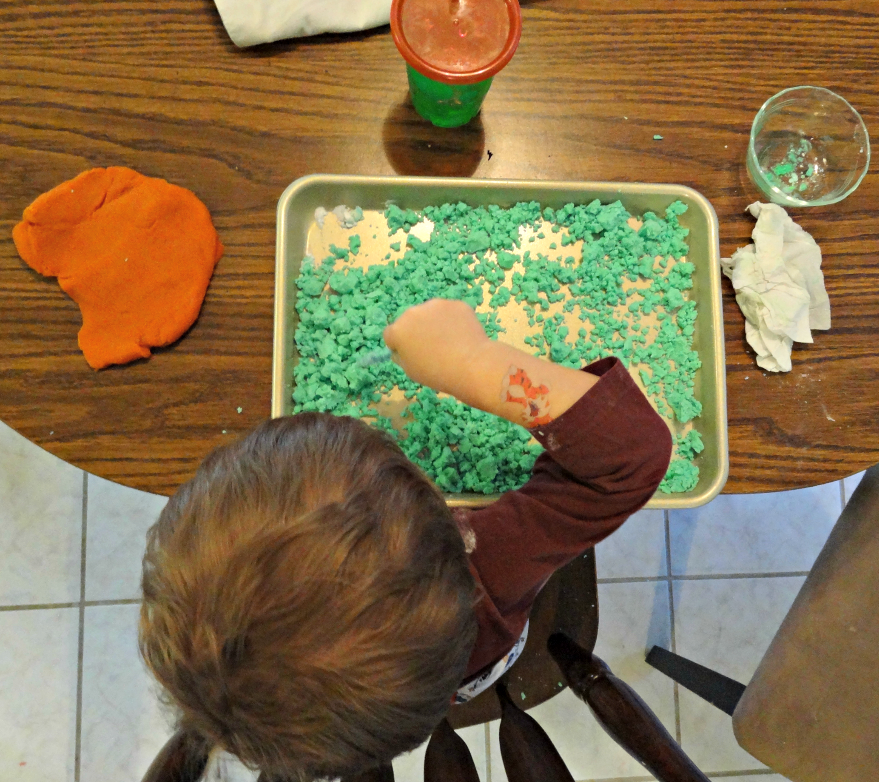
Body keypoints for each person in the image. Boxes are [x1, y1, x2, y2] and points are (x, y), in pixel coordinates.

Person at [139, 298, 672, 781]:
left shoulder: (252, 690)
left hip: (417, 697)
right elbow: (632, 453)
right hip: (485, 657)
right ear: (445, 522)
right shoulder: (487, 567)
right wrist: (473, 361)